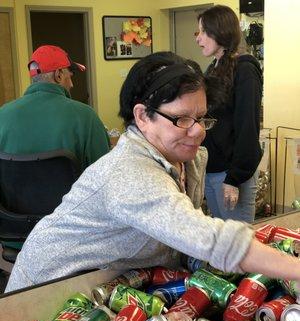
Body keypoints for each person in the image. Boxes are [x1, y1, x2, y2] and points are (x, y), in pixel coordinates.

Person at [5, 51, 300, 292]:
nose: (197, 131)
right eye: (181, 119)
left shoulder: (187, 158)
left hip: (113, 279)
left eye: (201, 117)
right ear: (143, 116)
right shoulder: (129, 172)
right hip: (50, 288)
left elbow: (183, 231)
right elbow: (210, 239)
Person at [0, 45, 110, 252]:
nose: (72, 82)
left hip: (12, 234)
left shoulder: (2, 115)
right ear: (59, 75)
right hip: (71, 238)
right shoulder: (85, 116)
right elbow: (105, 183)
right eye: (70, 74)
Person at [195, 5, 263, 223]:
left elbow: (247, 128)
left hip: (231, 176)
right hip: (212, 171)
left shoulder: (244, 69)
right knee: (222, 248)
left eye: (203, 32)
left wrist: (234, 178)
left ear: (220, 32)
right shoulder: (214, 68)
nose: (199, 39)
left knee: (238, 249)